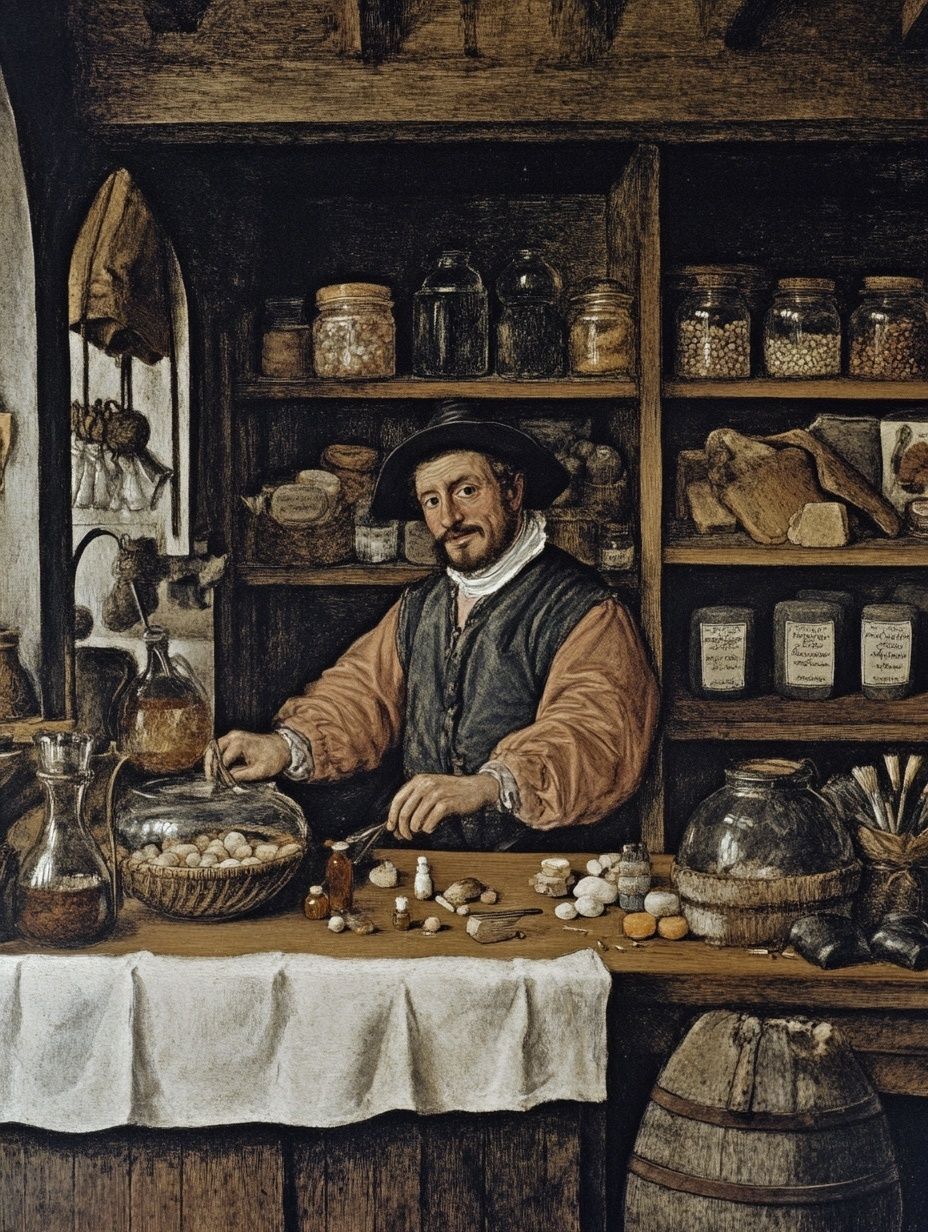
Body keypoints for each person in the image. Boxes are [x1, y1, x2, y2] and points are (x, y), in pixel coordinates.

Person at [209, 402, 659, 850]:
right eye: (431, 501)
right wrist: (284, 746)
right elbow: (360, 694)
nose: (449, 518)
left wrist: (488, 786)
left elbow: (597, 734)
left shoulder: (585, 609)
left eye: (465, 491)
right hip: (429, 858)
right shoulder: (420, 606)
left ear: (514, 492)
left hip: (544, 864)